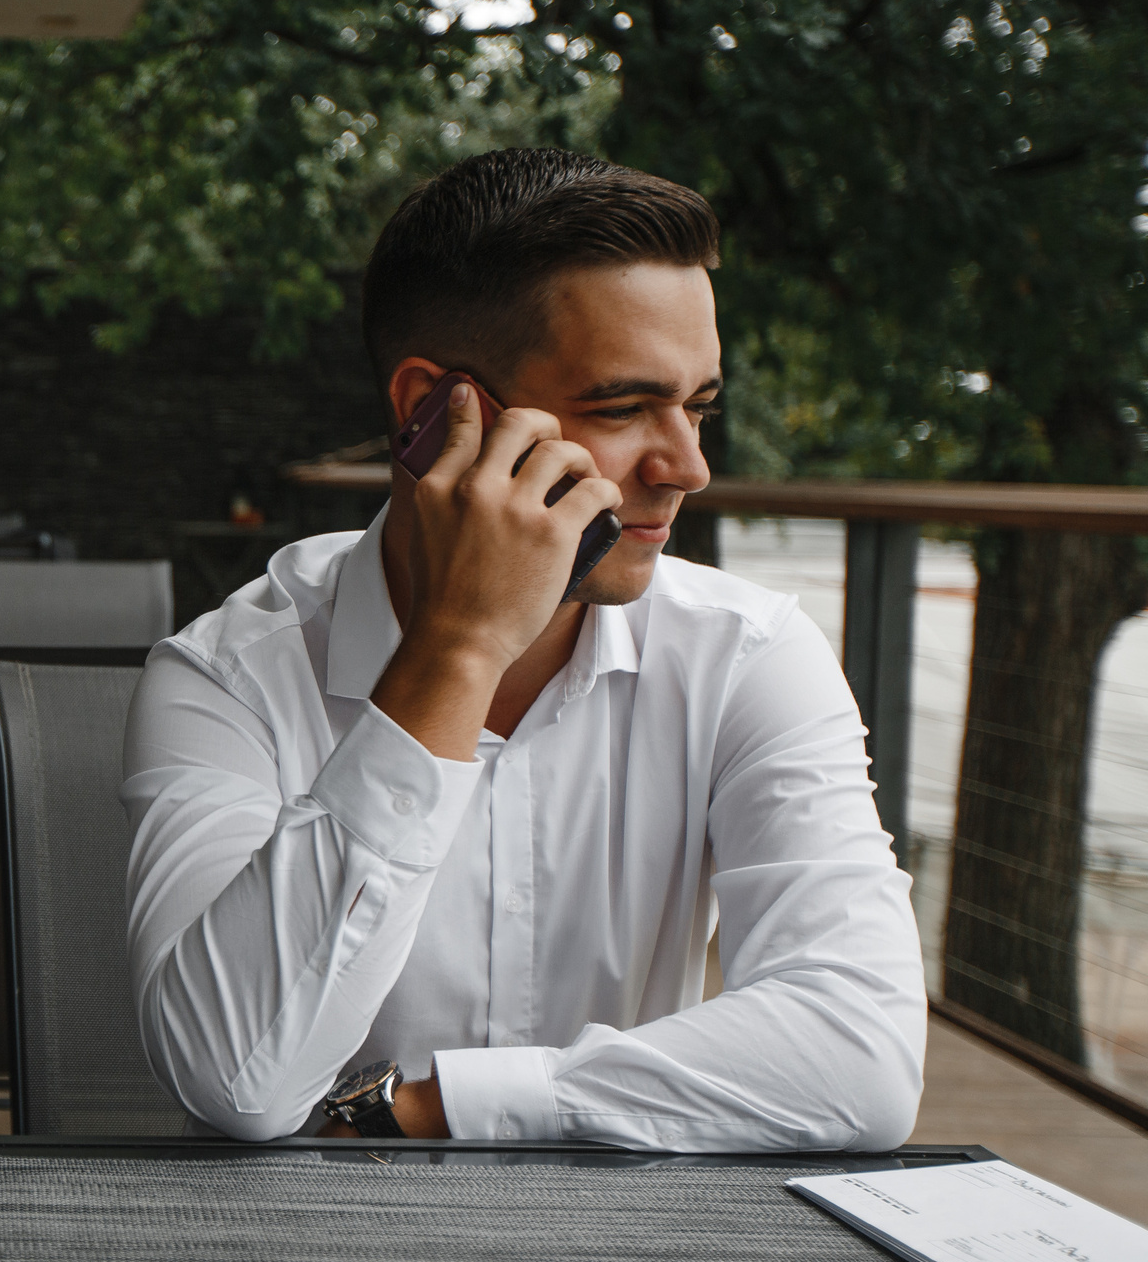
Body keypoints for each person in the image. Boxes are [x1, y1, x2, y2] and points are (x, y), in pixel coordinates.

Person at [122, 148, 925, 1148]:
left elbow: (864, 1055)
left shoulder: (746, 657)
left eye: (700, 407)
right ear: (434, 410)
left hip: (629, 1257)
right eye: (624, 407)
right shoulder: (229, 675)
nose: (689, 467)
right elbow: (235, 1081)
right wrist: (458, 649)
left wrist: (427, 1107)